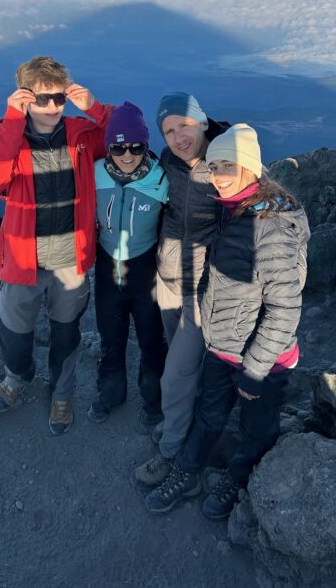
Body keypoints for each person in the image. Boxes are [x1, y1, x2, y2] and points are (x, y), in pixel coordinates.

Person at [142, 123, 310, 517]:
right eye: (213, 166)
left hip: (262, 361)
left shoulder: (270, 228)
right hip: (225, 345)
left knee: (258, 427)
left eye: (227, 167)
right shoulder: (237, 210)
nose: (218, 178)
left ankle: (239, 478)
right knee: (209, 413)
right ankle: (187, 472)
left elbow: (285, 308)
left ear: (251, 169)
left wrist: (254, 370)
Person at [0, 56, 113, 435]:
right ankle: (18, 376)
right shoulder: (10, 138)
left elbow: (128, 134)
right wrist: (12, 120)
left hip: (70, 260)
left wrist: (94, 107)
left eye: (59, 98)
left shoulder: (82, 136)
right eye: (42, 99)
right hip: (22, 261)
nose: (52, 107)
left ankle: (62, 393)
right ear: (24, 99)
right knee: (14, 333)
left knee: (66, 334)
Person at [131, 93, 227, 489]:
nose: (177, 136)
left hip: (203, 288)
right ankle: (182, 422)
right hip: (167, 278)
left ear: (203, 122)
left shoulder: (227, 164)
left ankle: (171, 452)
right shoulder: (168, 162)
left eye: (183, 125)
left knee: (174, 376)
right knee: (183, 367)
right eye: (168, 131)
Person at [88, 101, 169, 425]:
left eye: (136, 146)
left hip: (146, 270)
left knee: (151, 340)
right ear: (109, 147)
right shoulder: (93, 174)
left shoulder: (163, 180)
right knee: (111, 338)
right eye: (118, 146)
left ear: (146, 146)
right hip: (108, 270)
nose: (127, 154)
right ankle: (111, 394)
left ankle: (153, 402)